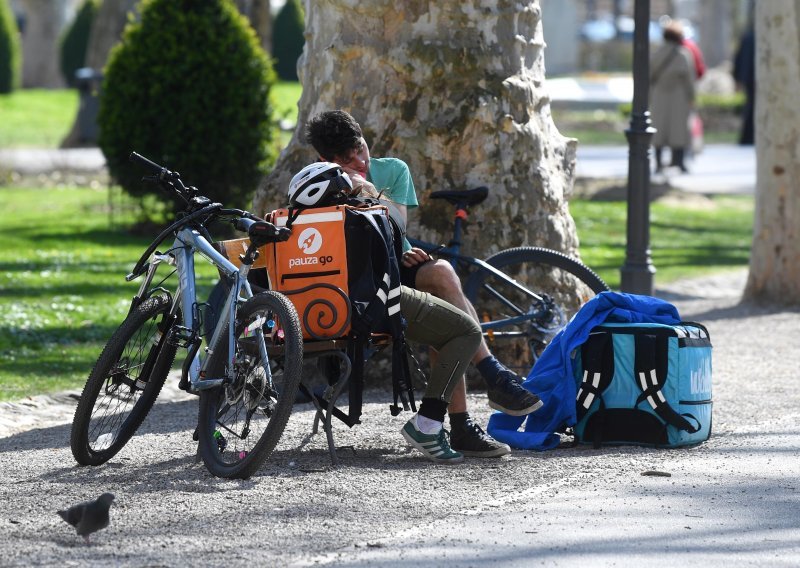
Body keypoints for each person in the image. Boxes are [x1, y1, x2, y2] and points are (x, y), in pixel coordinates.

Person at [304, 110, 544, 458]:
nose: (360, 160)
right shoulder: (318, 182)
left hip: (399, 266)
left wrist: (370, 193)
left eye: (360, 148)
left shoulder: (393, 169)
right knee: (446, 315)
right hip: (362, 283)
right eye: (347, 158)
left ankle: (487, 385)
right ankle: (471, 410)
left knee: (443, 273)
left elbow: (397, 225)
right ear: (327, 160)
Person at [288, 162, 484, 464]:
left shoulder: (292, 225)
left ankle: (439, 423)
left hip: (311, 316)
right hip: (371, 309)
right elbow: (390, 269)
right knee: (466, 331)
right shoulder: (364, 216)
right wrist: (370, 197)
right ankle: (428, 425)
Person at [650, 20, 696, 173]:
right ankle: (679, 162)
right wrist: (691, 96)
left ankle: (658, 163)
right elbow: (690, 78)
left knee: (659, 129)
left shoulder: (657, 53)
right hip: (679, 96)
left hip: (659, 95)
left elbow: (649, 75)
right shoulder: (683, 54)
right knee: (679, 130)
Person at [733, 24, 755, 146]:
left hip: (748, 78)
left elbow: (738, 59)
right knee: (751, 107)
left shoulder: (747, 37)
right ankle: (748, 137)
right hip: (752, 78)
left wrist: (737, 78)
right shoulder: (749, 38)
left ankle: (747, 137)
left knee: (750, 106)